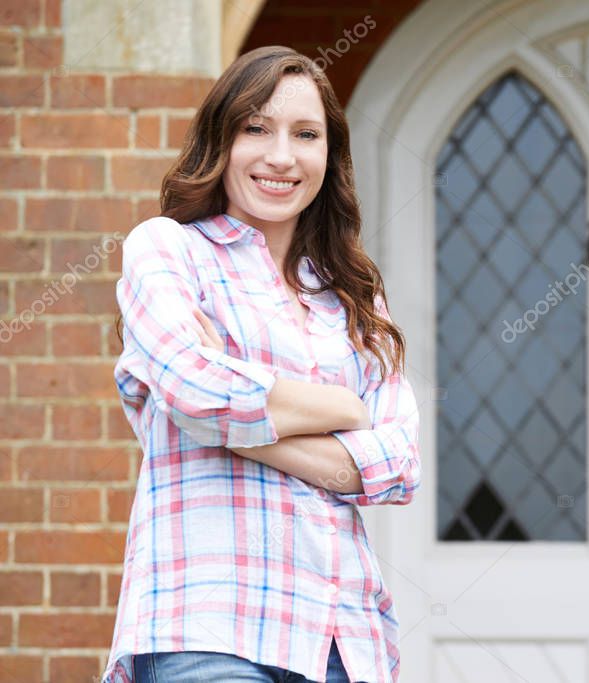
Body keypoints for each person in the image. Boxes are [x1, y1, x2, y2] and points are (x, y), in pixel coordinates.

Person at [102, 45, 421, 683]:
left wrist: (230, 411)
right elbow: (196, 391)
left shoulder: (353, 294)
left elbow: (397, 461)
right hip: (209, 623)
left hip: (342, 638)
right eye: (256, 128)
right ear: (221, 139)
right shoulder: (168, 251)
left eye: (306, 134)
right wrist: (340, 409)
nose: (281, 156)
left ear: (329, 157)